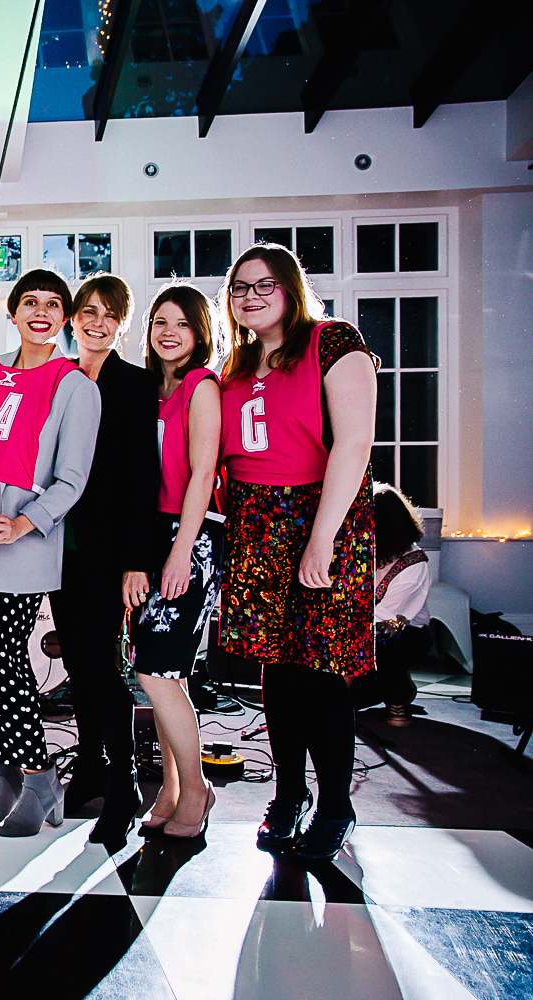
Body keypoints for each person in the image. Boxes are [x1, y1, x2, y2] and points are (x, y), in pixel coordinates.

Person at [216, 243, 376, 861]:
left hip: (321, 517)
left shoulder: (334, 341)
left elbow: (354, 445)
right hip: (256, 523)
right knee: (274, 672)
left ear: (290, 287)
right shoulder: (237, 365)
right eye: (239, 288)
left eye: (264, 285)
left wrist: (322, 538)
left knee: (321, 670)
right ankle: (289, 795)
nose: (251, 297)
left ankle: (336, 803)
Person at [0, 269, 100, 838]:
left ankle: (41, 779)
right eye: (30, 303)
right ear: (12, 312)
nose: (41, 312)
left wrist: (23, 524)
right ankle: (5, 780)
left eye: (53, 304)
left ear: (64, 317)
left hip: (16, 545)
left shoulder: (75, 385)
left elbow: (72, 480)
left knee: (6, 666)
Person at [48, 272, 160, 846]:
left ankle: (125, 782)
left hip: (108, 549)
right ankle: (89, 764)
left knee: (100, 665)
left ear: (122, 323)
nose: (96, 322)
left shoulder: (137, 385)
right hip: (53, 543)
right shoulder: (57, 379)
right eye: (87, 311)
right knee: (76, 664)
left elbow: (145, 478)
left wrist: (137, 560)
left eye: (108, 314)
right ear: (73, 318)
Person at [125, 282, 224, 839]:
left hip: (192, 537)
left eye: (182, 323)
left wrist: (181, 553)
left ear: (199, 333)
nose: (169, 332)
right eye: (160, 321)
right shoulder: (148, 392)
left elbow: (203, 476)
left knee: (156, 674)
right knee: (165, 674)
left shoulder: (200, 387)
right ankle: (170, 787)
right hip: (150, 536)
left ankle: (199, 787)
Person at [354, 482, 431, 727]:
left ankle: (399, 696)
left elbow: (386, 614)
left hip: (404, 633)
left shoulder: (414, 563)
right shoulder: (366, 552)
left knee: (387, 649)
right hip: (364, 627)